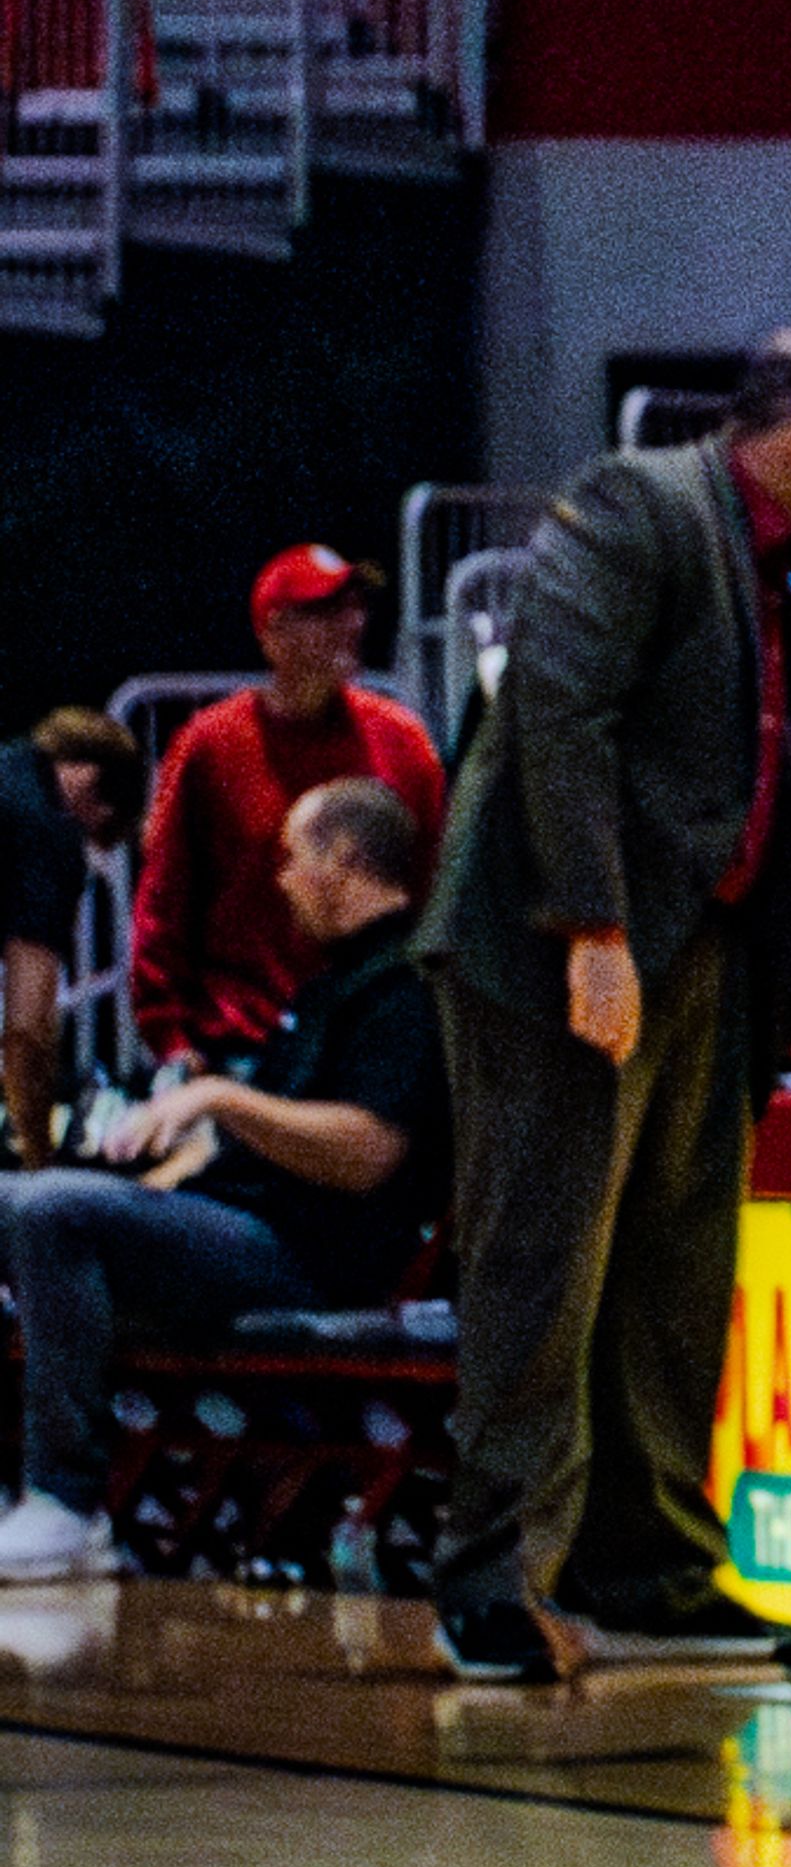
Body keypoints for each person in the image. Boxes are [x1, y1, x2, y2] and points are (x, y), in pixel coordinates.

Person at [416, 329, 791, 1678]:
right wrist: (595, 926)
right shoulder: (639, 503)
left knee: (678, 1275)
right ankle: (492, 1580)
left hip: (713, 958)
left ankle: (652, 1561)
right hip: (559, 950)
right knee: (545, 1262)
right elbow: (557, 712)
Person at [0, 778, 447, 1582]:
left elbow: (369, 1152)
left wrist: (222, 1096)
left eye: (291, 857)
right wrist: (153, 1186)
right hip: (242, 1229)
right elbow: (236, 1151)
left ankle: (66, 1502)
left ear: (343, 859)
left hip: (312, 1260)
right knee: (27, 1209)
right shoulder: (323, 987)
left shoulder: (407, 987)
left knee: (47, 1208)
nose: (280, 879)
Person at [130, 546, 446, 1073]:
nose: (353, 623)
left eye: (355, 607)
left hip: (369, 1035)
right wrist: (173, 1043)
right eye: (326, 611)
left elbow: (434, 886)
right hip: (244, 1043)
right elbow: (164, 901)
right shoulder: (210, 745)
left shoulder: (402, 741)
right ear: (272, 633)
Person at [0, 707, 143, 1170]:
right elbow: (26, 1028)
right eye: (100, 824)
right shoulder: (49, 830)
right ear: (89, 779)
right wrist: (39, 1156)